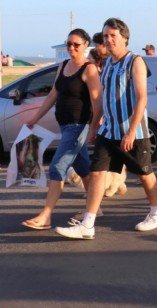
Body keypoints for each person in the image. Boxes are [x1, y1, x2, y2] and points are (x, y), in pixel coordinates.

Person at [56, 18, 157, 239]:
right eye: (105, 36)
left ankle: (156, 213)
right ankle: (88, 224)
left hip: (133, 132)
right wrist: (95, 126)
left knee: (145, 173)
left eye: (113, 36)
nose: (108, 40)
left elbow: (142, 98)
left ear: (124, 37)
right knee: (96, 173)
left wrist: (132, 131)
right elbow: (103, 99)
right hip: (109, 131)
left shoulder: (135, 62)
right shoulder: (107, 65)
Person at [21, 29, 102, 231]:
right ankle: (96, 208)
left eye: (76, 44)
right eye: (68, 44)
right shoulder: (64, 66)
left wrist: (94, 126)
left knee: (57, 167)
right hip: (65, 125)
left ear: (85, 45)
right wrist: (35, 117)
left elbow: (96, 101)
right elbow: (53, 95)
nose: (71, 48)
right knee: (83, 168)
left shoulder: (89, 69)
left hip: (78, 126)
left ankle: (46, 215)